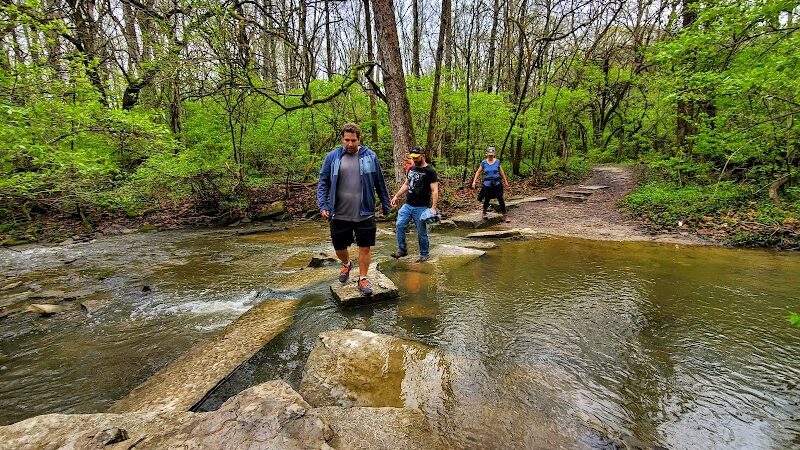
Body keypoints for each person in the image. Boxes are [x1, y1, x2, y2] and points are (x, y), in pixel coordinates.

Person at [317, 123, 391, 295]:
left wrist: (386, 205)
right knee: (339, 248)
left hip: (365, 212)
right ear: (342, 139)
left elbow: (379, 182)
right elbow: (323, 182)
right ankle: (346, 264)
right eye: (346, 140)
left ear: (359, 139)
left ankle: (363, 278)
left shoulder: (371, 157)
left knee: (365, 247)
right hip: (339, 212)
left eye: (353, 140)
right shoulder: (332, 157)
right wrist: (323, 204)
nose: (350, 144)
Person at [390, 147, 439, 263]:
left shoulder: (430, 171)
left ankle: (424, 254)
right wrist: (396, 196)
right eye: (413, 158)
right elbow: (406, 185)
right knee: (400, 225)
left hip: (421, 207)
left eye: (417, 158)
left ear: (422, 155)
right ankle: (402, 250)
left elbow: (435, 190)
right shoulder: (411, 169)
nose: (415, 160)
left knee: (422, 232)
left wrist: (433, 207)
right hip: (408, 205)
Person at [471, 146, 510, 222]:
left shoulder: (497, 162)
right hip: (487, 184)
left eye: (492, 154)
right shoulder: (484, 162)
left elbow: (501, 172)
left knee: (500, 198)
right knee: (487, 198)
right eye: (489, 154)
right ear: (487, 154)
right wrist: (474, 181)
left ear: (494, 154)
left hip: (497, 183)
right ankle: (484, 212)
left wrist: (505, 181)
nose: (490, 155)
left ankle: (505, 215)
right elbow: (478, 172)